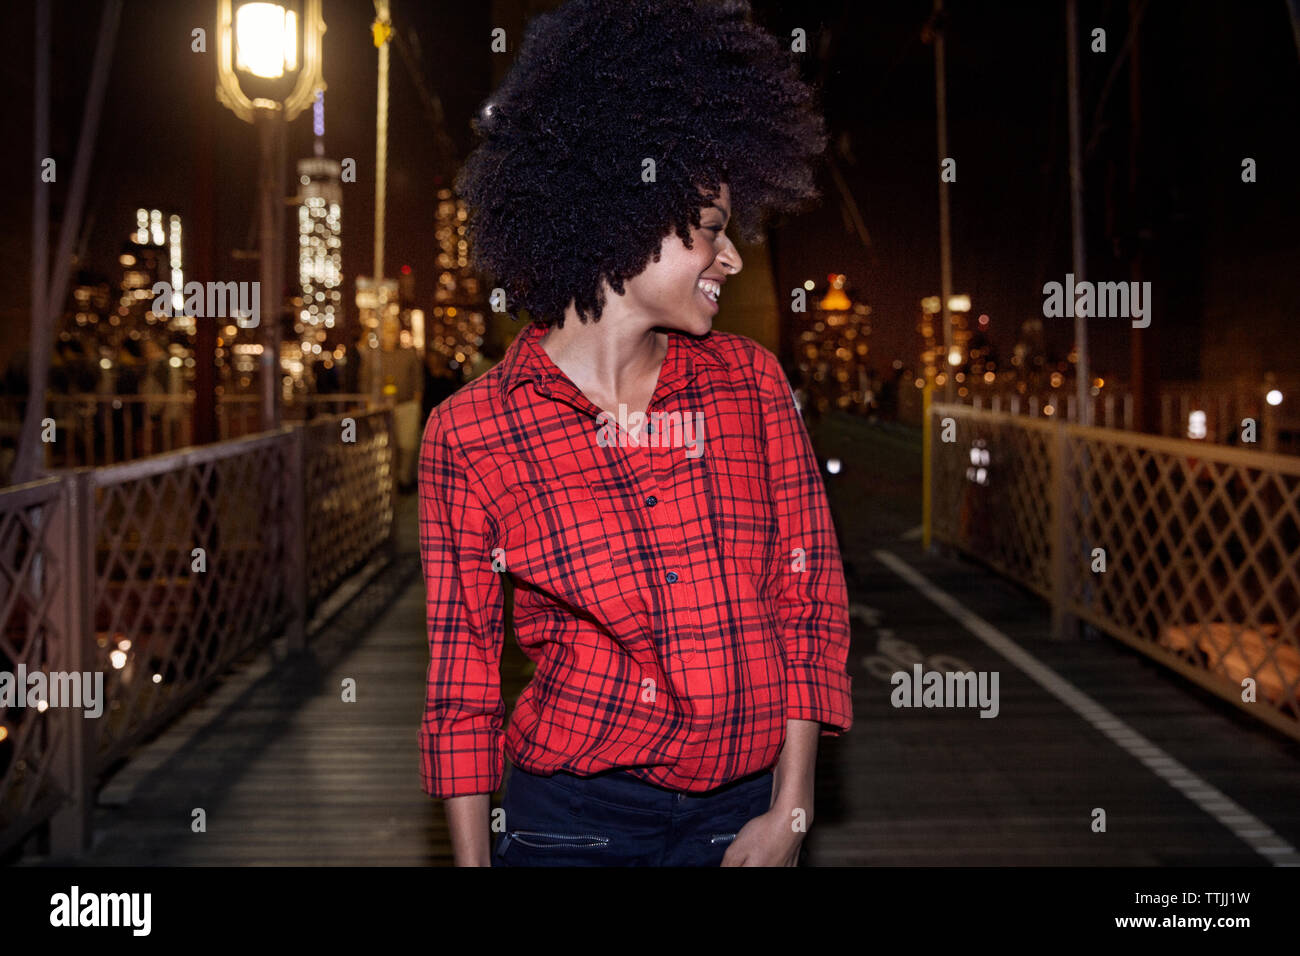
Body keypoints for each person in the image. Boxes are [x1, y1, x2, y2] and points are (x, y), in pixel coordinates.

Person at [418, 0, 852, 867]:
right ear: (628, 214)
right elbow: (463, 689)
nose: (729, 260)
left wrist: (791, 811)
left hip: (746, 806)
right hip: (568, 823)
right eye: (711, 234)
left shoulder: (753, 385)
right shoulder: (469, 433)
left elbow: (806, 606)